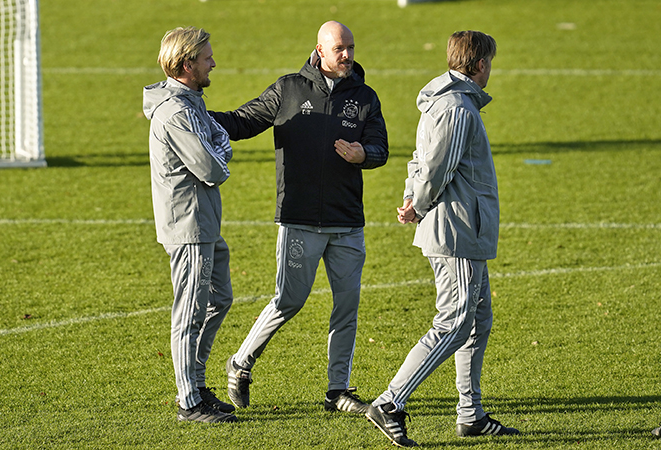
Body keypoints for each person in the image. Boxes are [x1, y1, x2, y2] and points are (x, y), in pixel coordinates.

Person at [210, 21, 388, 414]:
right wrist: (192, 114)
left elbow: (380, 147)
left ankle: (337, 390)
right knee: (288, 300)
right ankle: (240, 363)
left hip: (346, 222)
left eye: (351, 47)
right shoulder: (289, 89)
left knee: (347, 305)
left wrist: (365, 155)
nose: (347, 55)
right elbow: (242, 121)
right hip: (299, 219)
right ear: (319, 51)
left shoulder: (364, 97)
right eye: (339, 48)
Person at [365, 31, 519, 447]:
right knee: (455, 320)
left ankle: (470, 414)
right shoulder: (457, 108)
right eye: (491, 63)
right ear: (481, 64)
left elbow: (419, 159)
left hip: (460, 227)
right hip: (456, 230)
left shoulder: (444, 101)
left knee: (477, 319)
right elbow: (436, 168)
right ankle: (390, 402)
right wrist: (417, 203)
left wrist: (410, 198)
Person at [143, 26, 237, 423]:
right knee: (189, 313)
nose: (213, 62)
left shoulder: (191, 100)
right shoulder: (177, 111)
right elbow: (212, 167)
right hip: (188, 226)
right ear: (186, 65)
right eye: (206, 57)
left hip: (204, 223)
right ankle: (189, 402)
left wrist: (218, 145)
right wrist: (221, 151)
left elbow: (216, 142)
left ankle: (196, 384)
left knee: (220, 298)